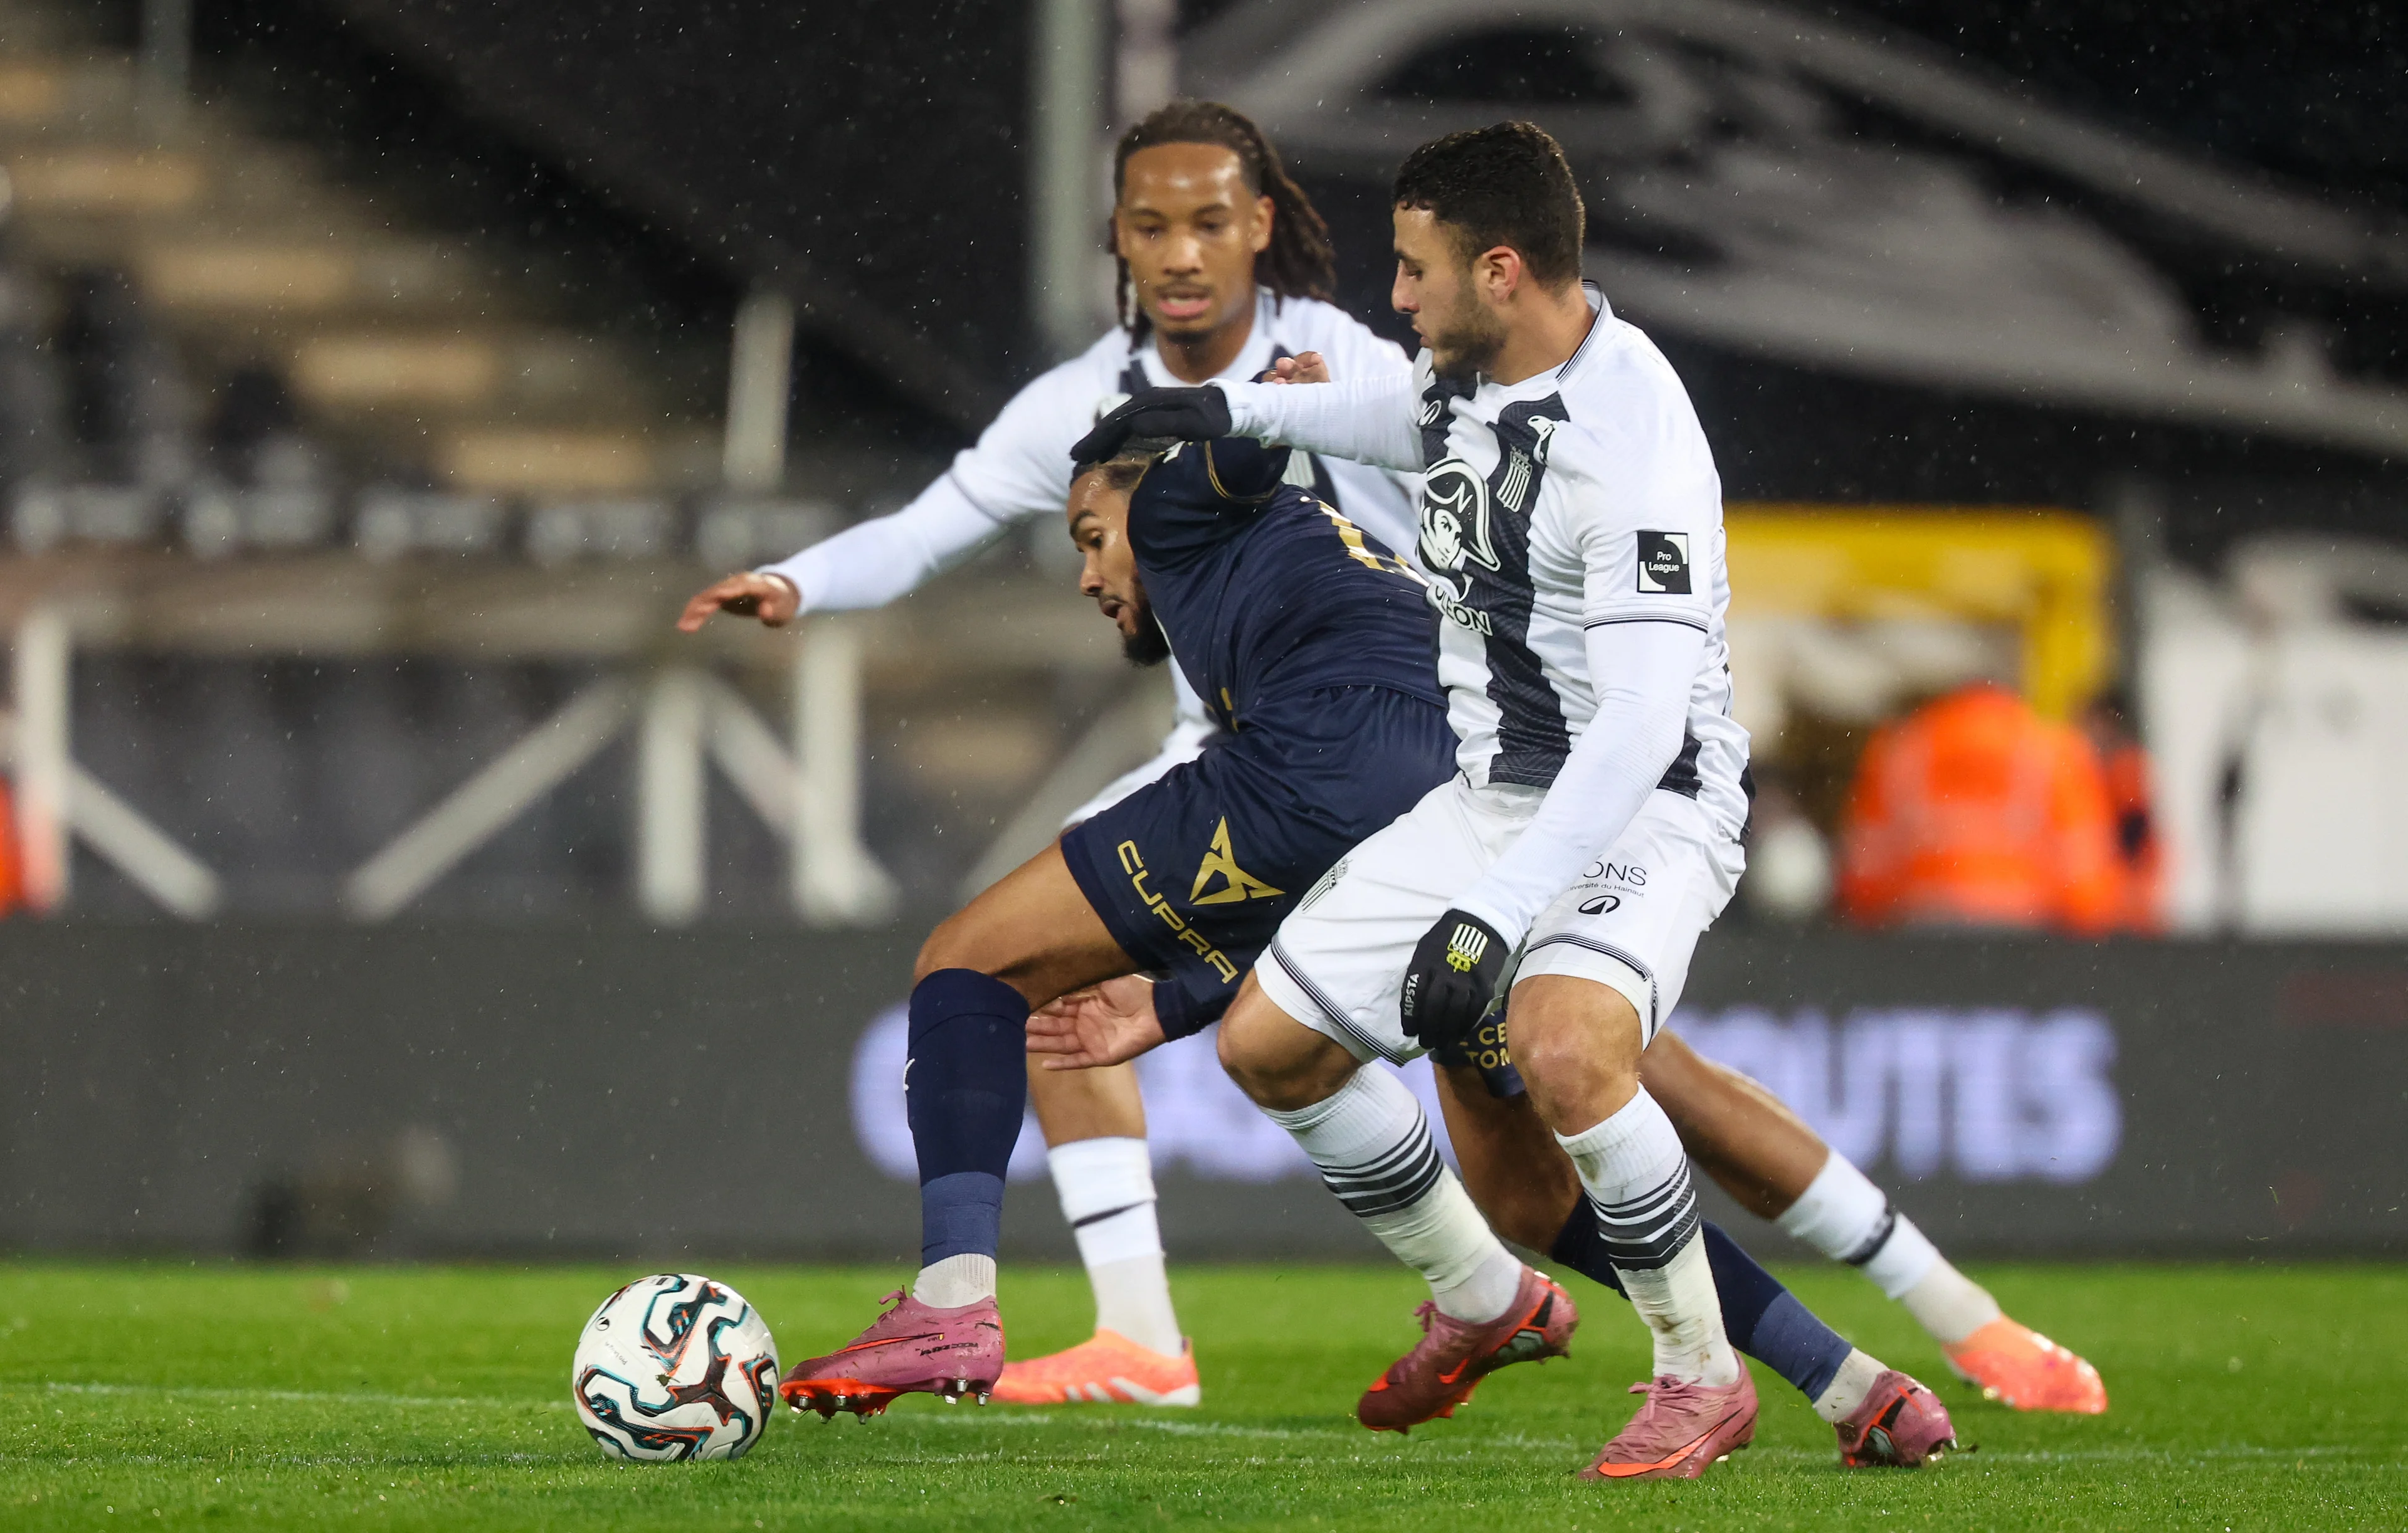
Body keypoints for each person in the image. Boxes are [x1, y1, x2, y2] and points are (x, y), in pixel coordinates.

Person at [1080, 129, 2108, 1425]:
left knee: (1578, 1050)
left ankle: (1724, 1371)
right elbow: (1403, 419)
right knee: (1280, 1052)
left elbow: (1637, 723)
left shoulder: (1633, 444)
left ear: (1500, 271)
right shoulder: (1475, 372)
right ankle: (1524, 1305)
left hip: (1643, 804)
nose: (1395, 297)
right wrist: (1236, 411)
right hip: (1490, 794)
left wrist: (1498, 911)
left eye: (1414, 270)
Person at [778, 430, 1955, 1470]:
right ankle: (1848, 1382)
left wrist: (1265, 399)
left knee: (970, 960)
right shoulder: (1312, 567)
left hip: (1335, 755)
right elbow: (1320, 888)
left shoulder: (1188, 498)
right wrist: (1179, 998)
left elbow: (1242, 448)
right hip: (1459, 799)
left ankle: (954, 1300)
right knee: (1514, 1183)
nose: (1090, 573)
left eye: (1093, 536)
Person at [679, 102, 1417, 1406]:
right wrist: (799, 581)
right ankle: (1146, 1335)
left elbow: (1467, 478)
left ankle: (1549, 1300)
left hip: (1404, 745)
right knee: (1060, 979)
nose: (1180, 253)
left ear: (1260, 226)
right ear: (1116, 239)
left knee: (1556, 1078)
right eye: (1151, 225)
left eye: (1208, 222)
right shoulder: (1083, 403)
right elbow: (933, 525)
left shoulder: (1342, 361)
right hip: (1253, 754)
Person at [1837, 680, 2123, 935]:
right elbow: (2087, 885)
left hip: (1924, 933)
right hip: (2028, 935)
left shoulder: (1904, 749)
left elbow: (1865, 878)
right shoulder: (2053, 751)